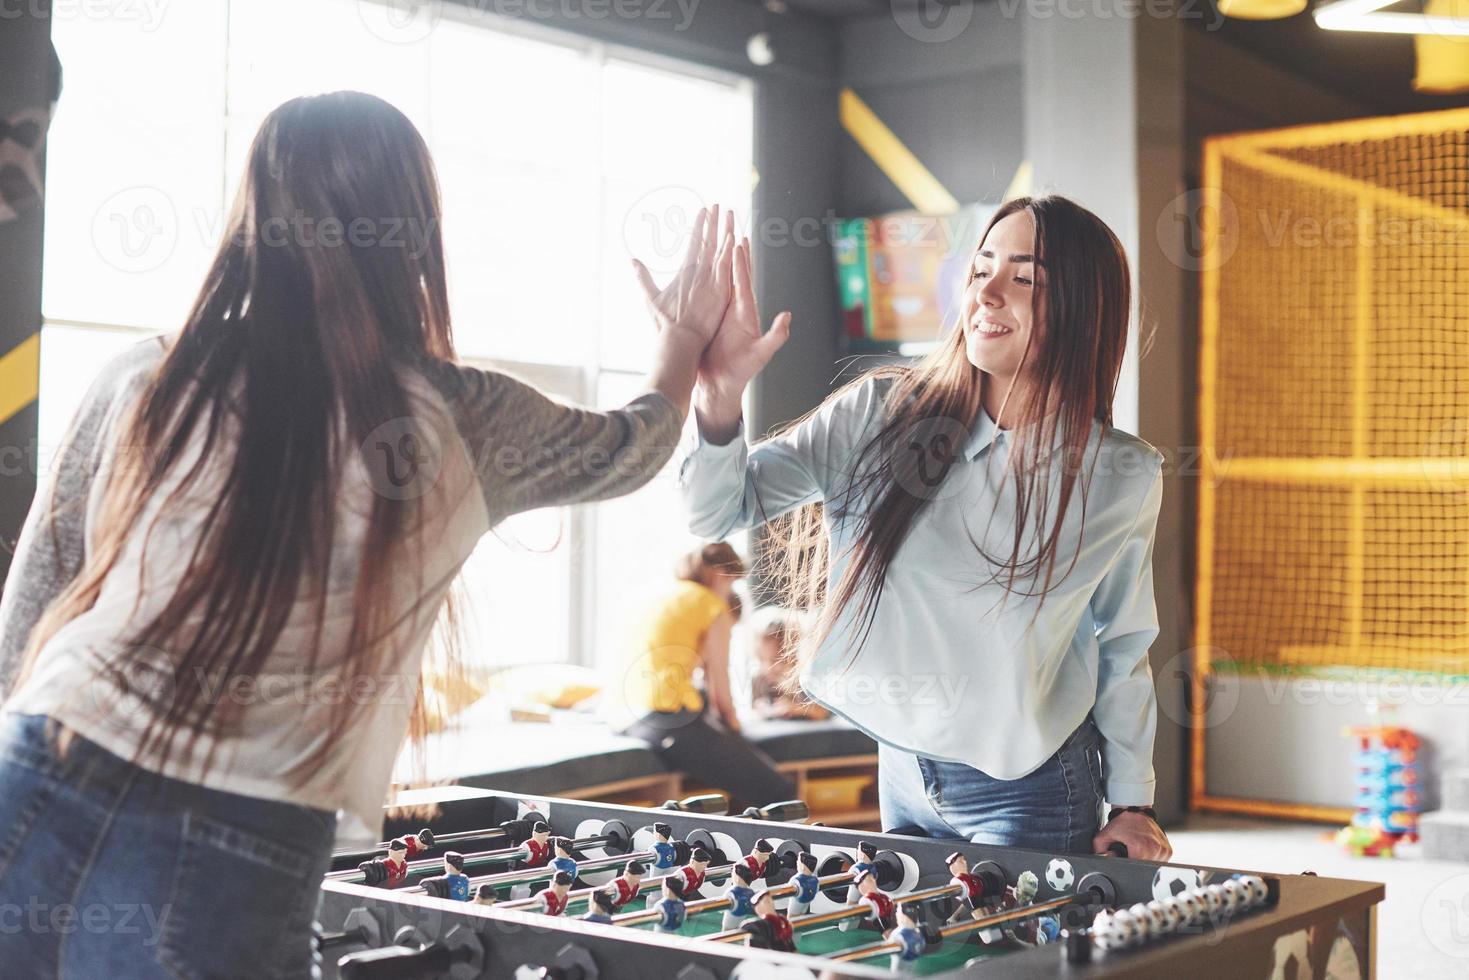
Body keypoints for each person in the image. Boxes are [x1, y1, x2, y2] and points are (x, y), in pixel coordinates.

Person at [0, 90, 752, 977]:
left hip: (36, 758)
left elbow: (35, 599)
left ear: (256, 216)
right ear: (414, 233)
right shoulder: (461, 417)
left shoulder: (151, 371)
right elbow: (634, 447)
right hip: (241, 818)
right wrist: (679, 346)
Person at [676, 195, 1172, 860]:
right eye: (980, 270)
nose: (988, 293)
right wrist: (716, 399)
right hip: (902, 772)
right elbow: (714, 511)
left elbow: (1122, 643)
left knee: (1015, 968)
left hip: (1032, 787)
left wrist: (1133, 802)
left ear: (1084, 309)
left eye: (1024, 278)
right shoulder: (877, 415)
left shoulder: (1123, 474)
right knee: (914, 962)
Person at [615, 541, 795, 807]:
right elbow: (718, 686)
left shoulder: (661, 594)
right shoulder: (710, 604)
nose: (729, 592)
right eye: (731, 583)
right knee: (779, 794)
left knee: (741, 779)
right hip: (667, 720)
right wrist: (735, 729)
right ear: (718, 572)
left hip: (627, 718)